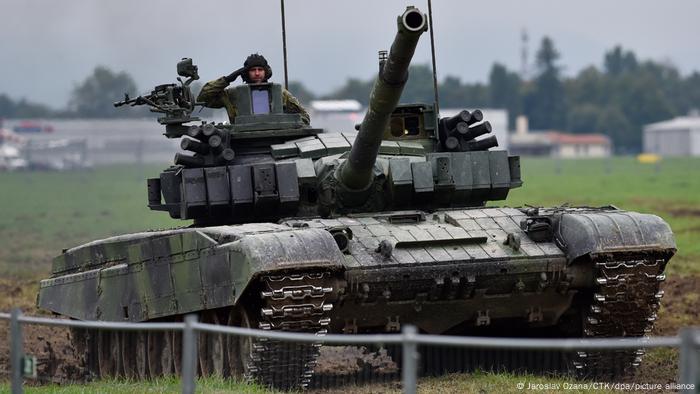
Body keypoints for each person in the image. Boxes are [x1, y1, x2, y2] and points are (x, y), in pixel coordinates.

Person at [197, 53, 310, 125]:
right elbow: (204, 99)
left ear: (266, 72)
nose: (257, 73)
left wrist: (285, 120)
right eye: (253, 70)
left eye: (260, 69)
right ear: (246, 73)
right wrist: (227, 79)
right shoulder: (233, 94)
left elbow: (305, 118)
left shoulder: (279, 93)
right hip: (241, 142)